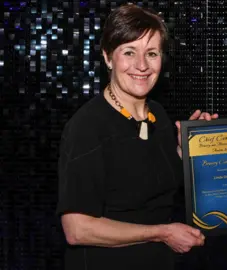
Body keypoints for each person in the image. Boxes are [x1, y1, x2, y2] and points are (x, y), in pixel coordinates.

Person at [56, 4, 217, 270]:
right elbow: (77, 229)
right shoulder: (88, 127)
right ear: (108, 57)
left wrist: (187, 149)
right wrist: (162, 233)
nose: (142, 65)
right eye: (129, 52)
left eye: (151, 53)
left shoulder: (158, 115)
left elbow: (151, 185)